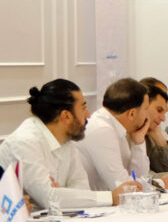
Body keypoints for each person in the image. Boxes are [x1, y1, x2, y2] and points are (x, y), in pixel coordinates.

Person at [0, 79, 140, 209]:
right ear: (66, 116)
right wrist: (110, 197)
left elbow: (82, 189)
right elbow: (50, 198)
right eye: (83, 108)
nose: (88, 115)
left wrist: (63, 194)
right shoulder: (25, 142)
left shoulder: (66, 139)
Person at [76, 78, 155, 191]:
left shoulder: (116, 127)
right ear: (132, 114)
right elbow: (121, 186)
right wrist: (160, 183)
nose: (148, 116)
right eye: (146, 109)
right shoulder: (102, 130)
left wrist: (138, 142)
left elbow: (136, 177)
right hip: (91, 201)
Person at [139, 77, 168, 174]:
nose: (163, 119)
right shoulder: (126, 131)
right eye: (159, 110)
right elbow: (140, 176)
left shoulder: (154, 130)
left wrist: (160, 140)